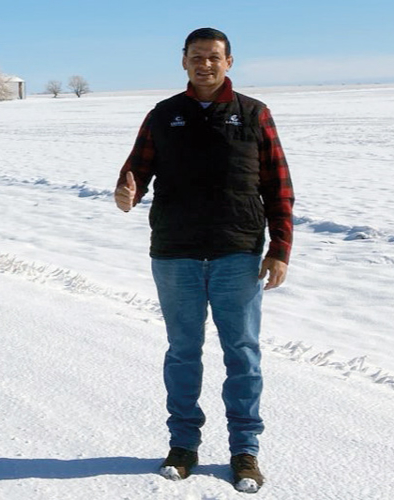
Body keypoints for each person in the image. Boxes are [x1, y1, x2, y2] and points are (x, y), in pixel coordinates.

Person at [113, 27, 294, 493]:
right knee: (183, 352)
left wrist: (280, 249)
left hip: (238, 251)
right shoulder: (163, 115)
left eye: (214, 57)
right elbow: (135, 171)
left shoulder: (254, 114)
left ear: (229, 62)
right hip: (176, 252)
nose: (205, 64)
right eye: (197, 57)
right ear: (184, 61)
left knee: (243, 354)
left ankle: (245, 450)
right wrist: (126, 191)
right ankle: (183, 444)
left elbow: (278, 187)